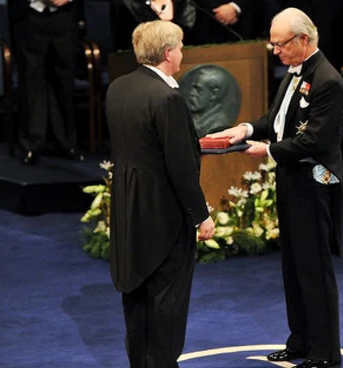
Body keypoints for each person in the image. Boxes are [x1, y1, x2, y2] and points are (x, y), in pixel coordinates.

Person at [207, 8, 343, 368]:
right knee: (293, 266)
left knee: (314, 269)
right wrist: (247, 130)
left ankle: (325, 353)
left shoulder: (328, 80)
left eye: (281, 44)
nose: (275, 51)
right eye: (273, 44)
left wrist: (267, 150)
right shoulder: (294, 72)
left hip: (314, 183)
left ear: (304, 40)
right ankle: (300, 340)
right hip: (291, 179)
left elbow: (315, 140)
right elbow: (276, 120)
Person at [104, 20, 215, 367]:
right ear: (168, 53)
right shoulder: (168, 97)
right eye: (180, 47)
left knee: (135, 298)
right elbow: (180, 169)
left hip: (128, 212)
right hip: (165, 220)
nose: (183, 53)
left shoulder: (118, 88)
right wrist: (202, 216)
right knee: (167, 303)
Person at [9, 0, 84, 165]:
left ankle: (66, 142)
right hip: (30, 15)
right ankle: (31, 144)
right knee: (31, 80)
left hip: (65, 15)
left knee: (64, 80)